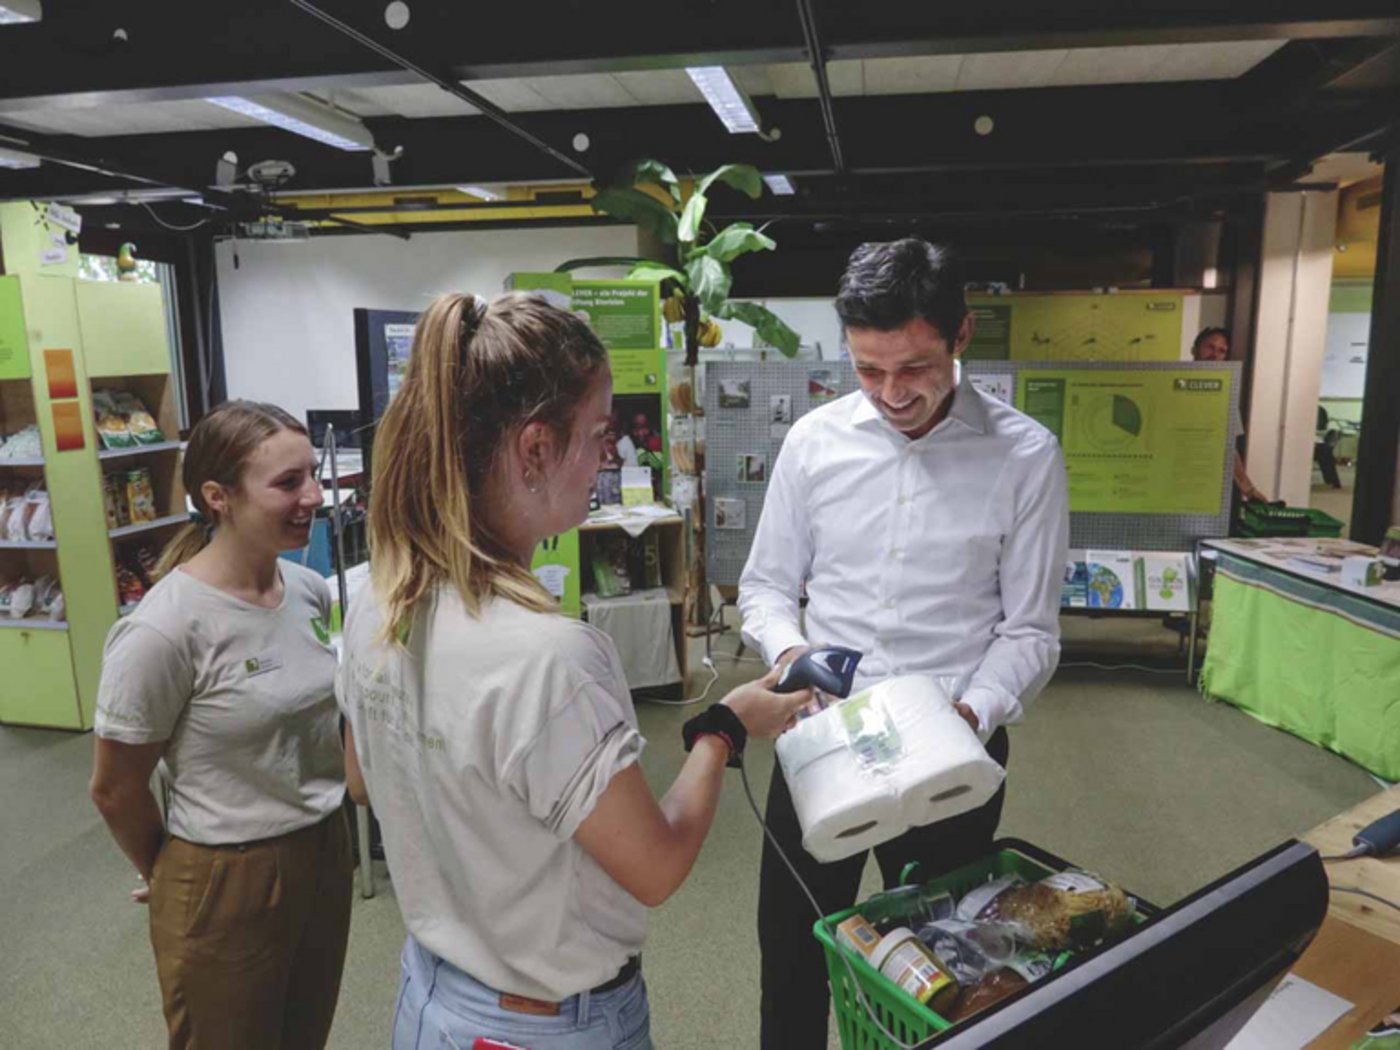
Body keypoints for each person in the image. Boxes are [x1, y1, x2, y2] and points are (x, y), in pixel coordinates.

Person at [337, 292, 808, 1050]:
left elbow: (362, 779)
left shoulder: (379, 599)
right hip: (544, 1027)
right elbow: (653, 869)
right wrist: (722, 731)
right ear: (533, 450)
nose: (605, 458)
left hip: (433, 1000)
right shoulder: (549, 657)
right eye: (598, 434)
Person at [738, 239, 1070, 1047]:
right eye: (868, 370)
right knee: (789, 950)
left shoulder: (1024, 455)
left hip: (951, 748)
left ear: (963, 335)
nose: (892, 393)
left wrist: (970, 711)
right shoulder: (814, 442)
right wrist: (791, 661)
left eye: (914, 367)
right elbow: (767, 588)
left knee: (941, 967)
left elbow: (1028, 630)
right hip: (821, 737)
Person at [89, 400, 351, 1050]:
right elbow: (115, 788)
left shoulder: (308, 590)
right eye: (288, 483)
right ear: (218, 497)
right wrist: (177, 874)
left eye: (312, 475)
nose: (314, 496)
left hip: (323, 849)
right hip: (222, 869)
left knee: (303, 1035)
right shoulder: (165, 628)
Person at [1190, 326, 1268, 504]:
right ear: (1194, 349)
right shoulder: (1168, 385)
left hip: (1205, 481)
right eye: (1209, 347)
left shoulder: (1225, 396)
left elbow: (1228, 448)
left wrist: (1248, 488)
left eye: (1221, 351)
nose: (1214, 354)